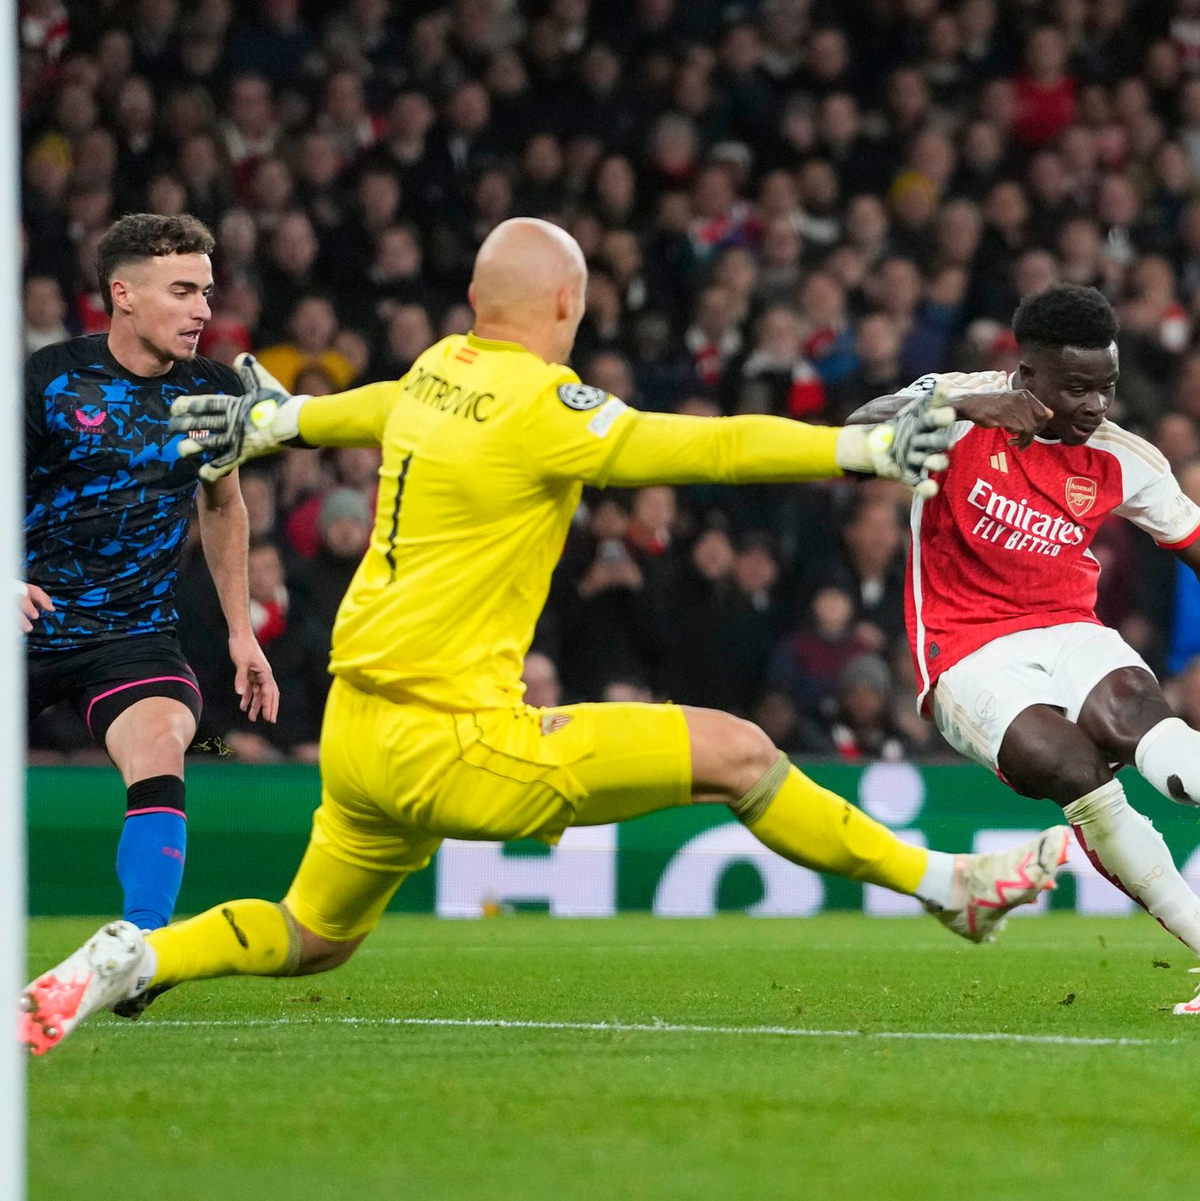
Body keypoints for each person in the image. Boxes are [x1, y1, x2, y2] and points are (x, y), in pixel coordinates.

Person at [20, 218, 1065, 1054]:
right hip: (450, 739)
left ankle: (134, 955)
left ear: (478, 303)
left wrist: (287, 420)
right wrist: (864, 446)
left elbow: (378, 405)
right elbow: (698, 446)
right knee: (741, 752)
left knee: (311, 936)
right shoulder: (544, 405)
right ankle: (952, 889)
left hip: (360, 736)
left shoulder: (437, 368)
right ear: (569, 305)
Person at [847, 283, 1200, 1015]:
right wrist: (963, 407)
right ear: (1027, 372)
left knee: (1161, 743)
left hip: (1069, 627)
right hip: (967, 650)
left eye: (1106, 386)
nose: (1096, 405)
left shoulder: (1121, 455)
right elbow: (854, 438)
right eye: (1077, 389)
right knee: (1074, 769)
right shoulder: (956, 398)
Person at [20, 213, 280, 990]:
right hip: (27, 618)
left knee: (165, 742)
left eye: (206, 290)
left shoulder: (209, 390)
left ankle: (141, 953)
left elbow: (223, 505)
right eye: (183, 291)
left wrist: (242, 631)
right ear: (121, 295)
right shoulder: (51, 379)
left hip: (131, 633)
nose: (204, 308)